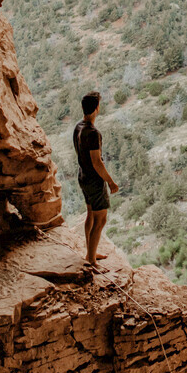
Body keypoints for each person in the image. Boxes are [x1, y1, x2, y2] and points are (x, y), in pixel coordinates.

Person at [72, 91, 118, 269]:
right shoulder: (93, 133)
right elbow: (97, 162)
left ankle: (90, 252)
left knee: (91, 214)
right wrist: (110, 182)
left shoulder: (78, 126)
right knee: (101, 219)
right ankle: (91, 260)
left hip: (82, 176)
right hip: (93, 179)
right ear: (97, 108)